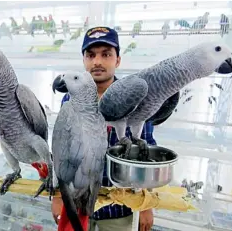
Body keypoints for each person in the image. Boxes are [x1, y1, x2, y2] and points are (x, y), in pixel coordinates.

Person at [51, 26, 156, 231]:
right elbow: (60, 152)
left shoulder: (135, 96)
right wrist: (57, 196)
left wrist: (146, 205)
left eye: (106, 54)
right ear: (84, 61)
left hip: (120, 207)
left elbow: (147, 152)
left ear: (117, 60)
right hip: (76, 201)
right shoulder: (69, 99)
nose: (97, 61)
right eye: (90, 55)